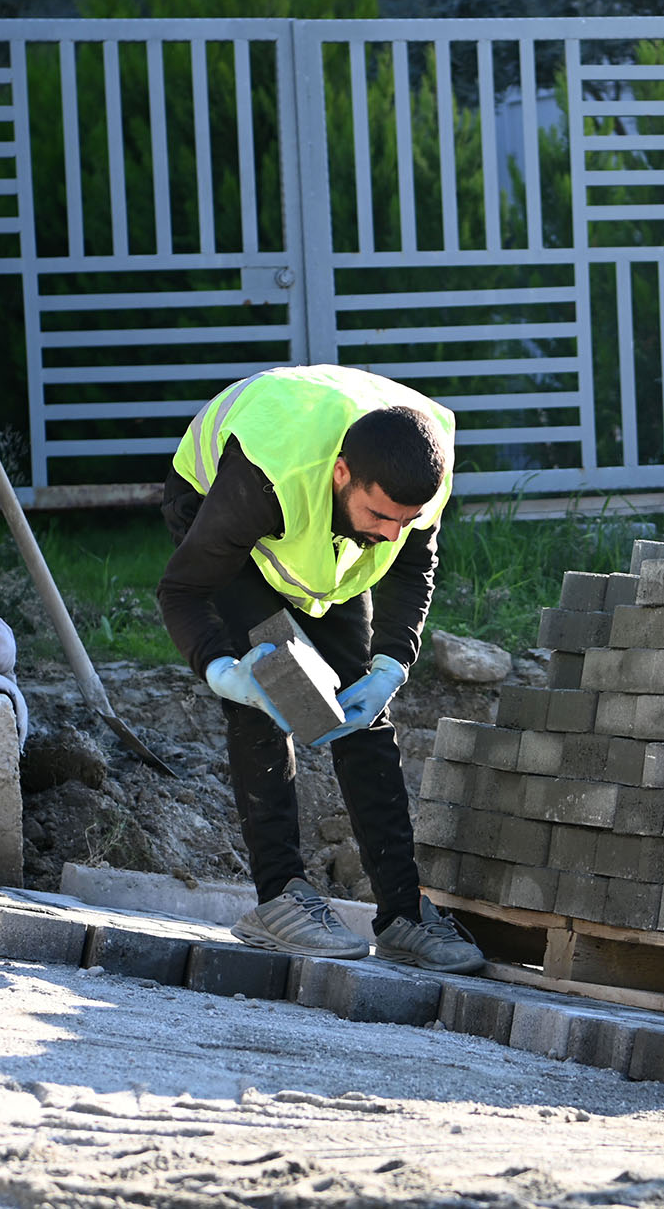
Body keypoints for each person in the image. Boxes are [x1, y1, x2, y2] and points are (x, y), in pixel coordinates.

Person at [157, 364, 485, 973]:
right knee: (274, 690)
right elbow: (180, 591)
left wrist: (393, 662)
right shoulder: (263, 481)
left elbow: (412, 564)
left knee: (363, 708)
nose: (390, 536)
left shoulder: (419, 477)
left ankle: (403, 913)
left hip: (317, 543)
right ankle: (281, 895)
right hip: (220, 505)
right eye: (381, 516)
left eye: (403, 521)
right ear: (343, 474)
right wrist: (223, 668)